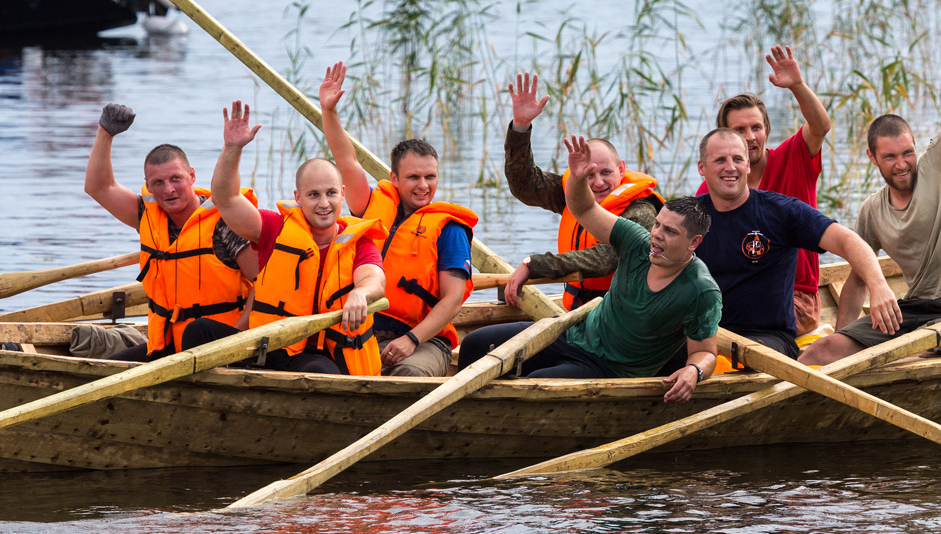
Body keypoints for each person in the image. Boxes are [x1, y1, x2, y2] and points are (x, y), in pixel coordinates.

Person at [800, 0, 941, 366]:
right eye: (891, 157)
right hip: (914, 311)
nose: (903, 163)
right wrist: (845, 335)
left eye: (907, 152)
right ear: (873, 159)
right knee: (823, 352)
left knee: (905, 359)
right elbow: (857, 277)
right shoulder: (873, 211)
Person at [458, 136, 722, 405]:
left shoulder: (701, 290)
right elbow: (583, 207)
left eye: (670, 232)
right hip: (574, 336)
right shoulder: (636, 241)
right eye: (657, 225)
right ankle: (462, 413)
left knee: (534, 385)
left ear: (694, 242)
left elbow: (706, 352)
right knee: (476, 344)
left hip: (611, 368)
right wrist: (576, 175)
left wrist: (694, 371)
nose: (656, 235)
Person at [187, 100, 387, 376]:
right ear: (298, 198)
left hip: (319, 356)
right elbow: (226, 199)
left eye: (330, 193)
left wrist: (360, 294)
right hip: (266, 347)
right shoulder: (275, 228)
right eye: (313, 195)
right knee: (198, 331)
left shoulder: (357, 240)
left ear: (342, 193)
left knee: (319, 372)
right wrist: (232, 148)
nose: (324, 203)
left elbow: (374, 279)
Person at [320, 62, 476, 377]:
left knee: (408, 378)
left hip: (423, 339)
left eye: (430, 177)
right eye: (414, 177)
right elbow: (346, 159)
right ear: (394, 177)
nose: (423, 186)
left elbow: (454, 299)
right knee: (315, 367)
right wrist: (329, 112)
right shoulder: (371, 205)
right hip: (361, 330)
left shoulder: (449, 229)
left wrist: (411, 339)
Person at [692, 128, 901, 363]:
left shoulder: (781, 211)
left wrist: (879, 285)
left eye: (738, 159)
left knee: (728, 361)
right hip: (706, 334)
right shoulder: (687, 216)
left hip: (766, 340)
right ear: (702, 167)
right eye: (720, 160)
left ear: (748, 165)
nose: (730, 167)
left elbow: (849, 241)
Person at [83, 102, 257, 362]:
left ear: (191, 176)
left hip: (223, 343)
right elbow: (99, 188)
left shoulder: (225, 222)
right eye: (158, 183)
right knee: (106, 368)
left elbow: (263, 282)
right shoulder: (147, 216)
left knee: (197, 332)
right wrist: (106, 132)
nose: (168, 190)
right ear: (148, 186)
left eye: (176, 178)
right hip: (168, 345)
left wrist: (238, 336)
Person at [698, 45, 832, 341]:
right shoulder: (714, 185)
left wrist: (796, 85)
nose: (750, 137)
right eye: (740, 129)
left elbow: (820, 126)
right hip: (735, 293)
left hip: (795, 298)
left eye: (756, 127)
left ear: (767, 129)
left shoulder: (792, 157)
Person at [503, 72, 664, 310]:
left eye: (606, 173)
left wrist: (534, 264)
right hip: (576, 312)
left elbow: (605, 258)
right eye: (589, 174)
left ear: (621, 169)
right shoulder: (573, 193)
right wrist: (521, 127)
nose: (598, 183)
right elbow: (525, 186)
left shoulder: (641, 211)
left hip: (621, 317)